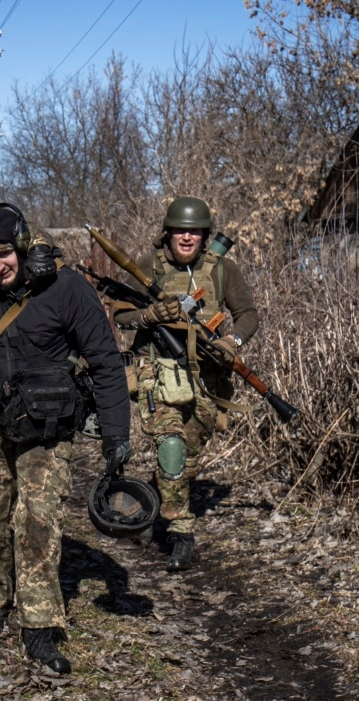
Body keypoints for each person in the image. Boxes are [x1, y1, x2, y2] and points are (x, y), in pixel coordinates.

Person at [0, 203, 131, 675]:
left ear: (21, 245)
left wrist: (116, 434)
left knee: (36, 517)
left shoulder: (65, 288)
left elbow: (104, 360)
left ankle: (39, 626)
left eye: (5, 254)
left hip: (46, 428)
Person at [112, 195, 259, 571]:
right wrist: (148, 315)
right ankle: (181, 534)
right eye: (180, 231)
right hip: (158, 374)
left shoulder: (223, 270)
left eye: (195, 232)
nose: (187, 238)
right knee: (172, 446)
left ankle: (151, 503)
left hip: (206, 380)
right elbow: (120, 314)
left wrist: (232, 341)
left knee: (187, 456)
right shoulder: (148, 266)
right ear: (168, 233)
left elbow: (247, 315)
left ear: (205, 235)